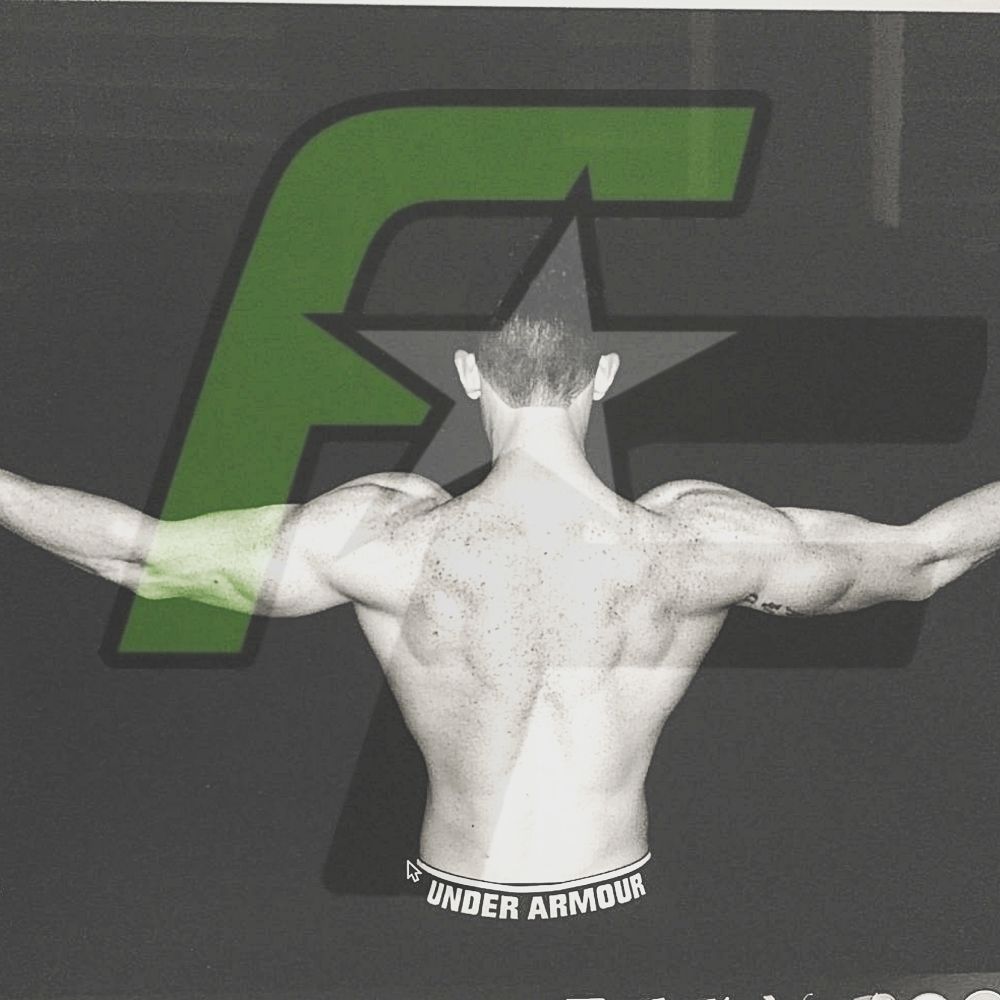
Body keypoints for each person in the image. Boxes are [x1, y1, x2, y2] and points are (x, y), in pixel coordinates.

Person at [0, 232, 995, 923]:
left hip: (445, 911)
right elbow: (925, 556)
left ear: (469, 373)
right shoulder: (699, 539)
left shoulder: (384, 533)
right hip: (624, 908)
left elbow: (142, 555)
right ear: (606, 374)